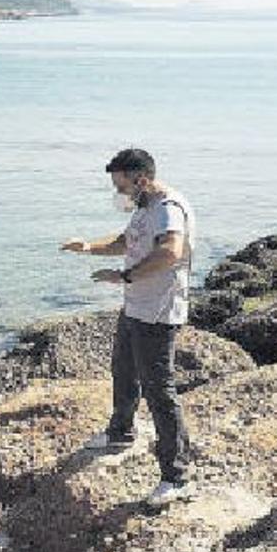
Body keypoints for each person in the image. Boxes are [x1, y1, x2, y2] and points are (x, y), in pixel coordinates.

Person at [61, 148, 195, 507]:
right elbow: (125, 242)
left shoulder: (168, 208)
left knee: (159, 390)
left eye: (122, 186)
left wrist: (124, 276)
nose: (119, 193)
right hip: (136, 306)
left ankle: (176, 475)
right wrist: (88, 247)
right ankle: (120, 433)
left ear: (142, 179)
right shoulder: (144, 207)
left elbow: (171, 252)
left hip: (158, 312)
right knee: (122, 369)